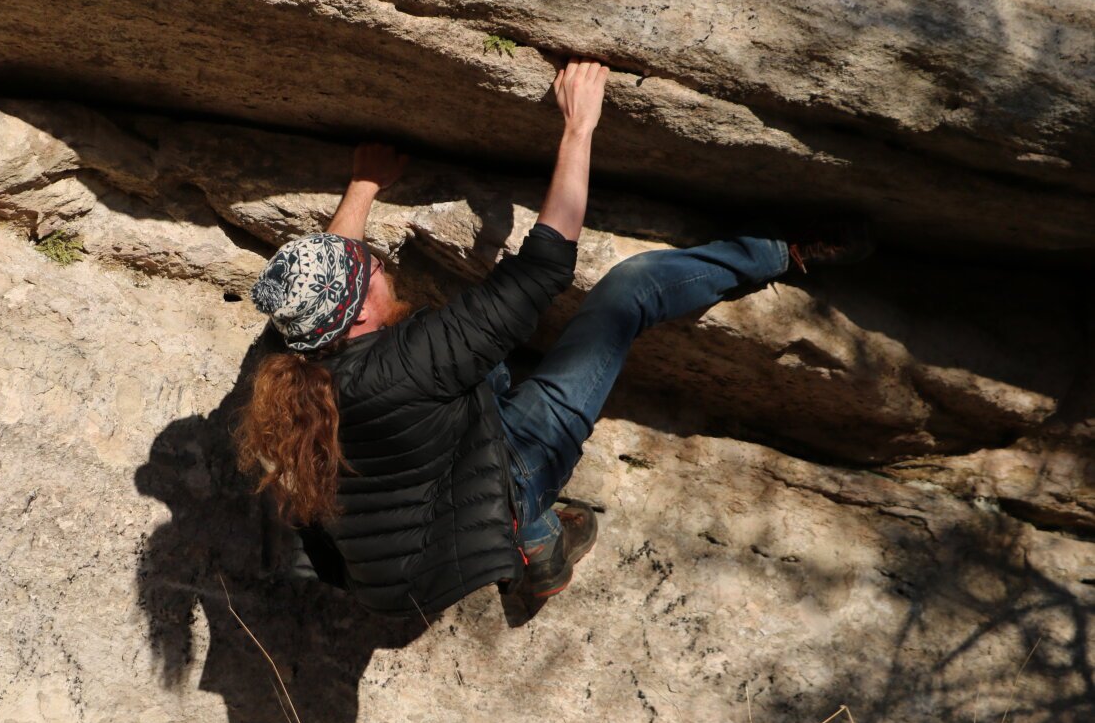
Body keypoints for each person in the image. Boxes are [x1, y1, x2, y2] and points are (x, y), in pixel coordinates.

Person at [235, 58, 868, 618]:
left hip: (386, 581)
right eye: (370, 267)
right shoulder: (414, 358)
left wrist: (364, 184)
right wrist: (578, 128)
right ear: (359, 311)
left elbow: (326, 278)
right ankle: (780, 251)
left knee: (485, 374)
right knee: (630, 289)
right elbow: (546, 265)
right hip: (494, 491)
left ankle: (518, 532)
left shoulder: (291, 357)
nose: (379, 262)